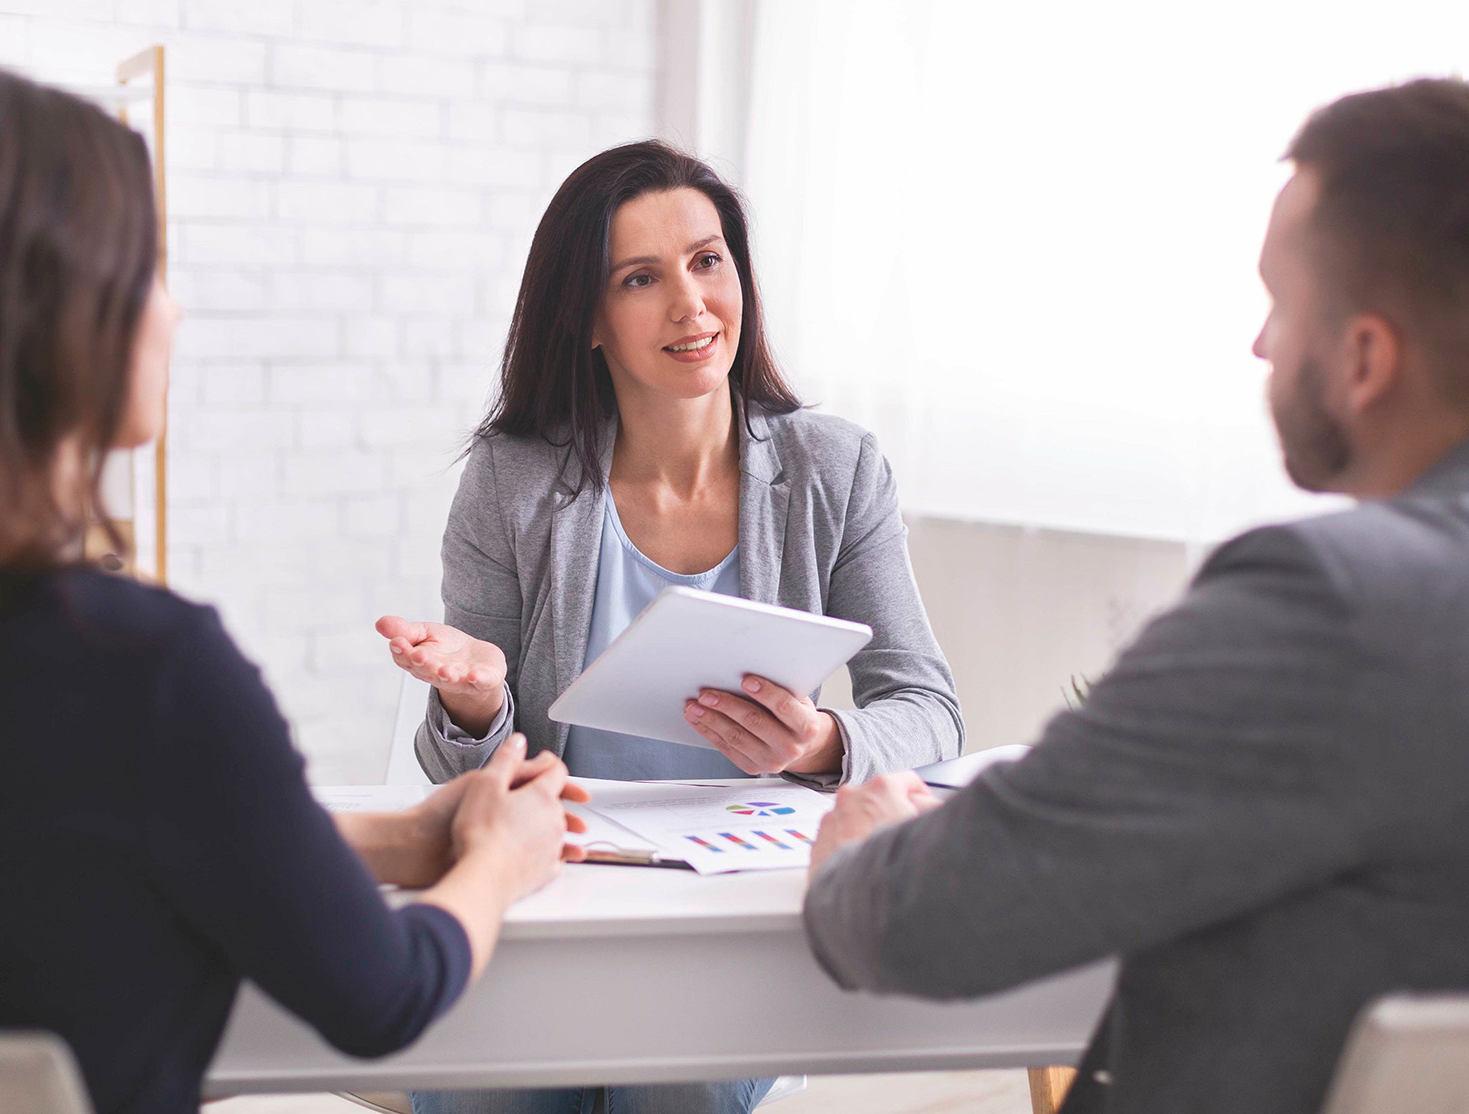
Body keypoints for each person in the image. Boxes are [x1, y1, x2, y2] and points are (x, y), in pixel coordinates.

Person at [0, 66, 586, 1114]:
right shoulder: (139, 670)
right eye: (149, 268)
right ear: (58, 318)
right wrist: (496, 860)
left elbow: (51, 834)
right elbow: (381, 996)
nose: (177, 304)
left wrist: (400, 837)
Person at [801, 78, 1469, 1114]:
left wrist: (864, 847)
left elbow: (926, 921)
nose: (1259, 344)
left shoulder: (1326, 605)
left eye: (1279, 303)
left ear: (1365, 356)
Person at [378, 141, 963, 1113]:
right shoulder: (511, 478)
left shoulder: (836, 469)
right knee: (497, 1094)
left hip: (729, 911)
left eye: (707, 260)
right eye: (640, 278)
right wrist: (475, 700)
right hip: (549, 892)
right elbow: (462, 776)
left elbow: (927, 705)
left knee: (672, 1081)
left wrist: (823, 742)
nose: (691, 304)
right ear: (590, 320)